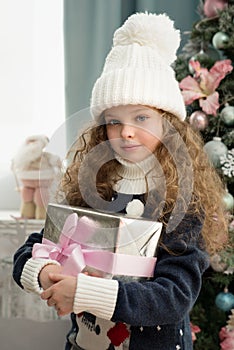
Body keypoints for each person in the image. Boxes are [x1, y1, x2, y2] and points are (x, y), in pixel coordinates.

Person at [13, 12, 228, 350]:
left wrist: (84, 292)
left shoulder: (183, 202)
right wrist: (41, 272)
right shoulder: (92, 187)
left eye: (141, 117)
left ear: (169, 124)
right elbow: (35, 246)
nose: (126, 131)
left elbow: (174, 296)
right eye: (114, 121)